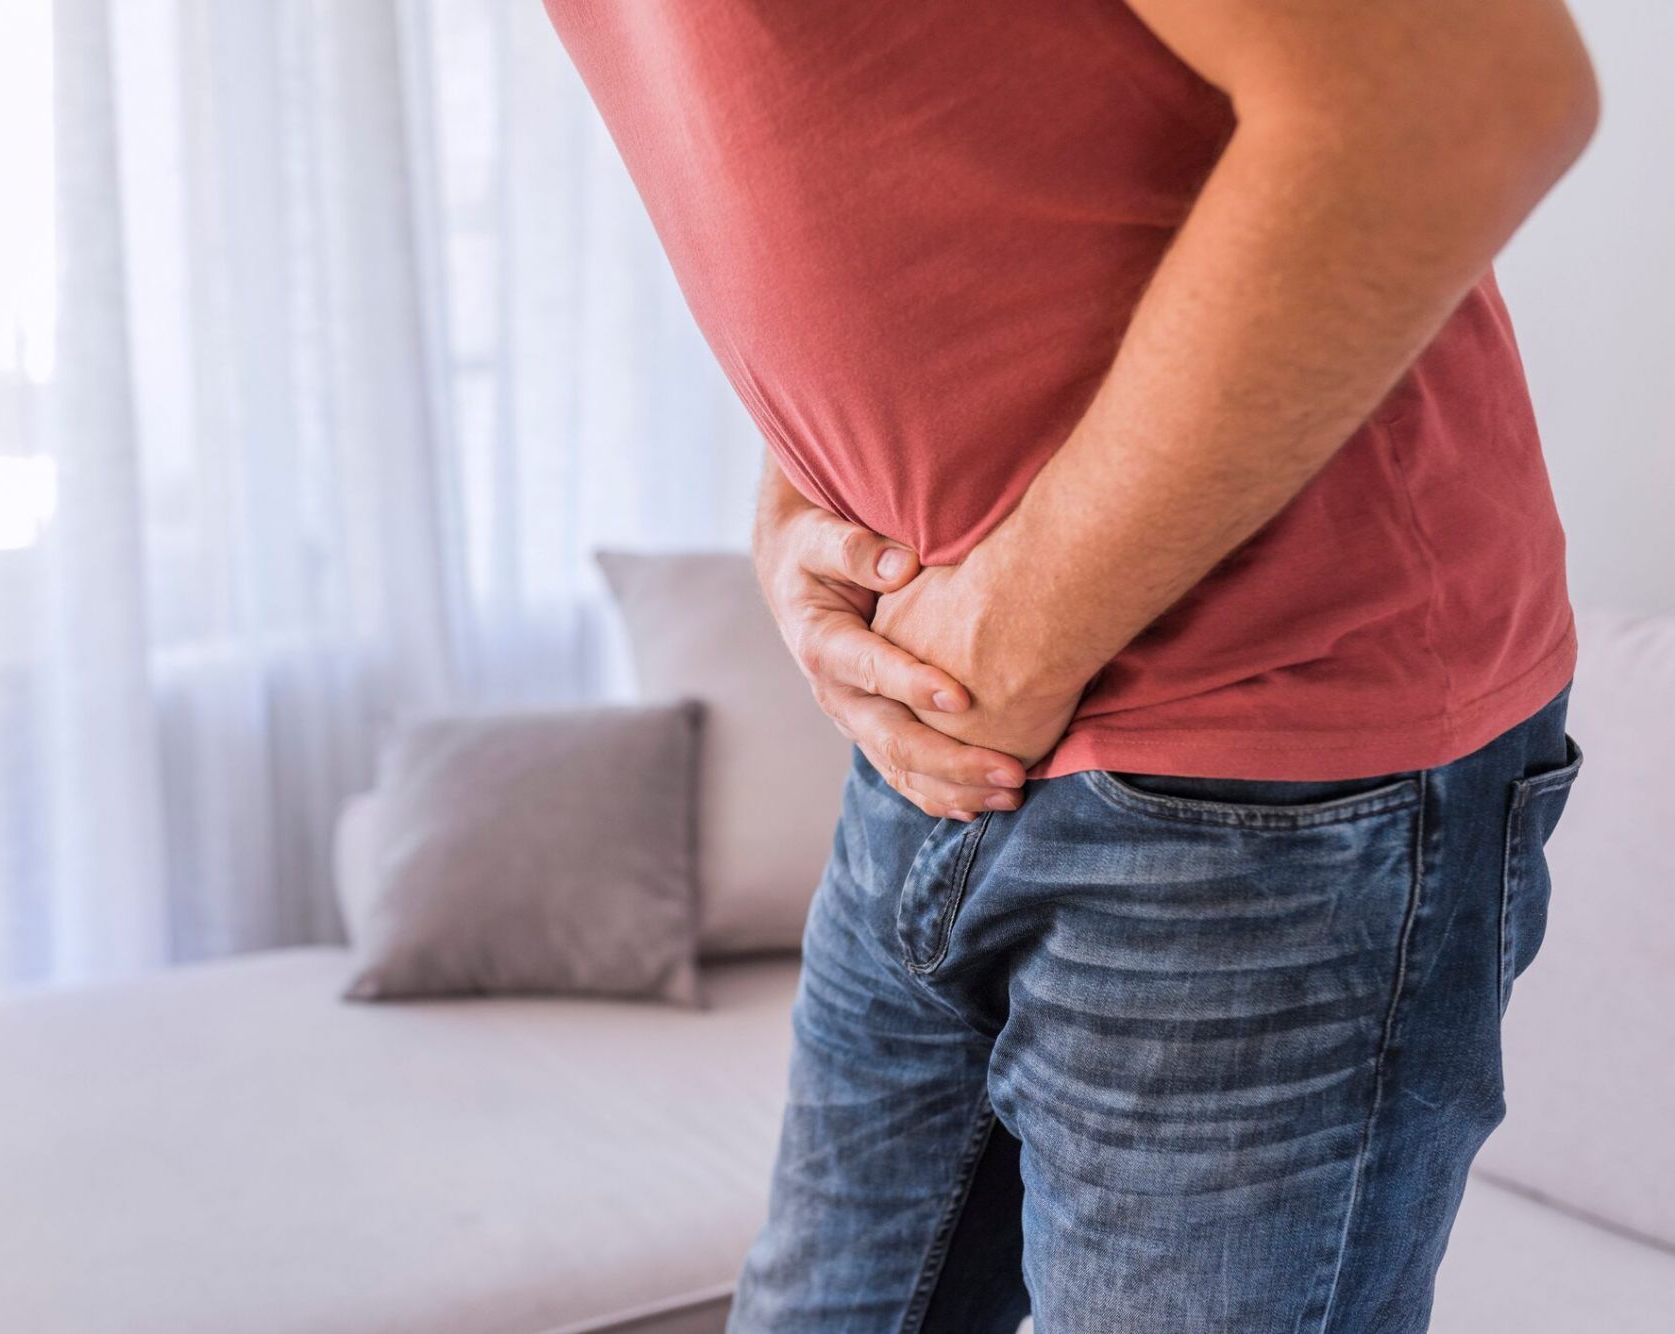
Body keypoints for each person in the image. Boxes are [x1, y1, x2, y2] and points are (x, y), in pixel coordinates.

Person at [546, 1, 1597, 1329]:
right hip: (941, 721)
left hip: (1275, 757)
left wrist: (1018, 630)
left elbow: (1463, 98)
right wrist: (804, 488)